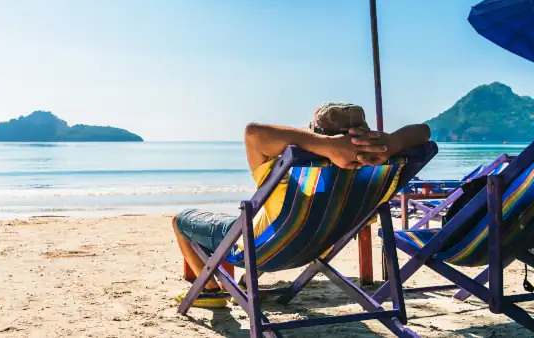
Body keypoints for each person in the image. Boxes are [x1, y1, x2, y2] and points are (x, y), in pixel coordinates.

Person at [173, 103, 431, 306]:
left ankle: (209, 291)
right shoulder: (376, 176)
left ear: (314, 135)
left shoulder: (289, 171)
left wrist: (327, 146)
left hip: (260, 251)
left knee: (180, 219)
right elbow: (424, 132)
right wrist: (392, 143)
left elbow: (253, 132)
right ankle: (244, 282)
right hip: (313, 248)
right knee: (285, 222)